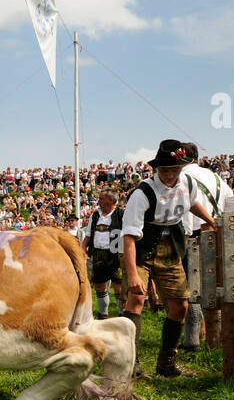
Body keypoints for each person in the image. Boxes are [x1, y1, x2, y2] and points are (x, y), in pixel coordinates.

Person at [121, 140, 216, 377]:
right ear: (156, 169)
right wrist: (132, 273)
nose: (170, 175)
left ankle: (167, 363)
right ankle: (131, 362)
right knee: (136, 299)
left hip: (172, 246)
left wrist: (213, 221)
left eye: (175, 169)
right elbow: (129, 238)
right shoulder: (142, 193)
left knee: (180, 305)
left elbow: (192, 204)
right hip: (142, 248)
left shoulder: (187, 182)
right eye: (165, 170)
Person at [179, 142, 234, 350]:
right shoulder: (216, 177)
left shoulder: (180, 178)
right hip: (216, 233)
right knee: (212, 283)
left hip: (190, 235)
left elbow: (182, 211)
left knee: (192, 286)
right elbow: (231, 204)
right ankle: (215, 338)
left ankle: (192, 339)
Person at [81, 191, 124, 319]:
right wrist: (83, 248)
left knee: (118, 284)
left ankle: (122, 314)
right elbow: (88, 234)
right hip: (98, 254)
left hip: (116, 254)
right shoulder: (95, 215)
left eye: (101, 198)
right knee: (100, 284)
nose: (98, 200)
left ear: (110, 200)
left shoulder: (121, 214)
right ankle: (103, 314)